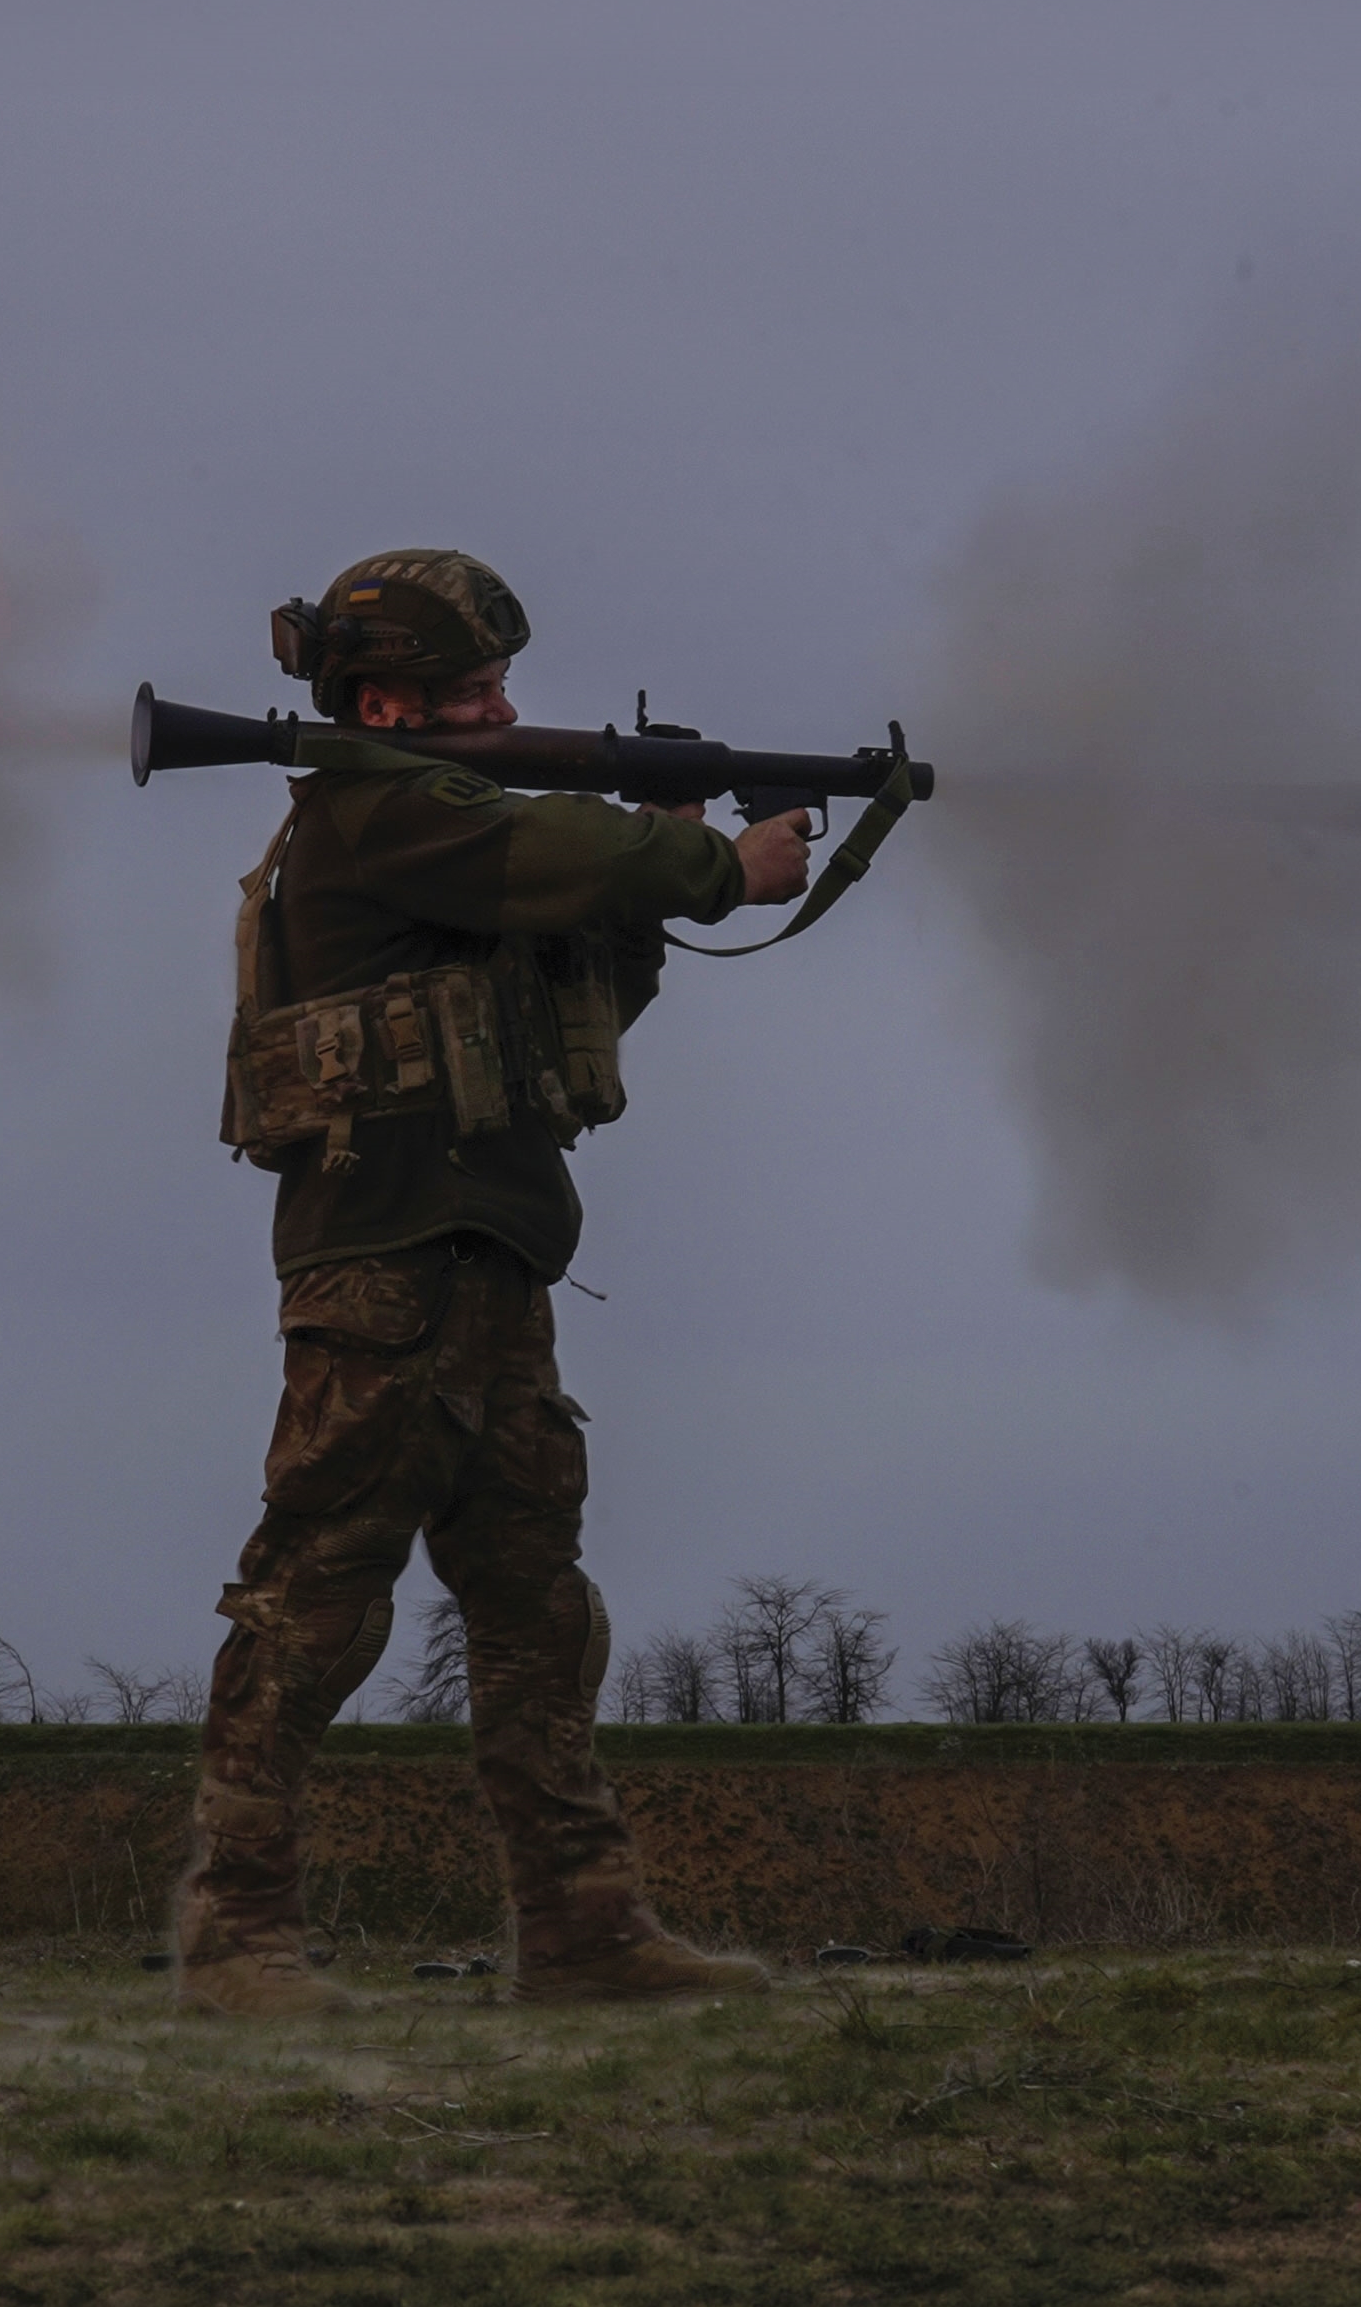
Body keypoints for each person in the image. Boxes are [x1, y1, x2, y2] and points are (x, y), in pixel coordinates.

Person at [174, 549, 812, 2017]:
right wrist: (714, 864)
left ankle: (585, 1932)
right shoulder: (376, 810)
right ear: (383, 702)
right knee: (312, 1603)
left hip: (488, 1267)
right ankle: (237, 1938)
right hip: (384, 1270)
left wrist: (664, 864)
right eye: (473, 688)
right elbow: (542, 855)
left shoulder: (435, 830)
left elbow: (571, 987)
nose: (505, 706)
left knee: (537, 1610)